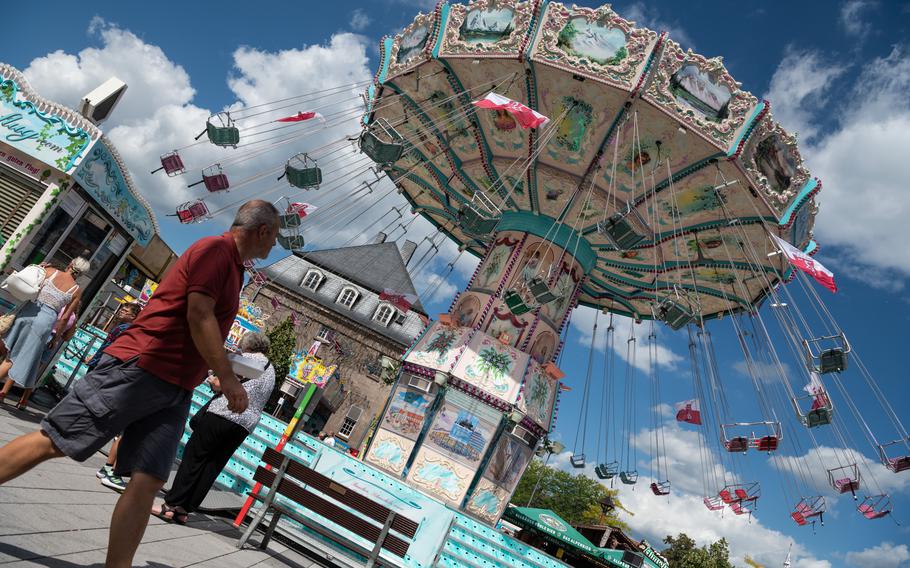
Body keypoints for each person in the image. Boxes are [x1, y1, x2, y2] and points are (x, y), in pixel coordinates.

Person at [0, 200, 279, 568]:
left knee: (148, 479)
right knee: (56, 439)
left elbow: (198, 320)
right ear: (261, 231)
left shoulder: (234, 269)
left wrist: (219, 359)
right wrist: (228, 379)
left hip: (176, 385)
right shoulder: (216, 250)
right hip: (141, 367)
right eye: (274, 237)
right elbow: (198, 315)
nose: (274, 245)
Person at [151, 332, 276, 523]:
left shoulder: (245, 359)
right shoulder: (271, 370)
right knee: (212, 465)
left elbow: (221, 384)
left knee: (194, 458)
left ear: (247, 346)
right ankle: (184, 510)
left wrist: (212, 380)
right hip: (244, 424)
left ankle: (170, 505)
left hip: (223, 413)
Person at [0, 258, 87, 410]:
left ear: (70, 264)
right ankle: (15, 394)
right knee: (16, 357)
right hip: (45, 322)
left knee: (11, 353)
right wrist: (56, 337)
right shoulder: (76, 290)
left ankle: (5, 390)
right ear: (81, 274)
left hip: (29, 311)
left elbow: (32, 281)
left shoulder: (50, 272)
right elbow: (65, 317)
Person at [89, 303, 142, 492]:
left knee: (122, 431)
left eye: (126, 311)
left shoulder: (128, 329)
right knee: (125, 432)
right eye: (122, 310)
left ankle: (109, 468)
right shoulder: (129, 330)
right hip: (125, 376)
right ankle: (112, 470)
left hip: (109, 368)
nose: (121, 312)